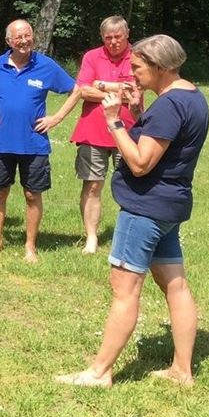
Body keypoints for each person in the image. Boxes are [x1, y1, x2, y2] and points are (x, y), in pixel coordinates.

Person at [56, 35, 209, 388]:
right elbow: (163, 142)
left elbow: (140, 163)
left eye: (138, 67)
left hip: (145, 209)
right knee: (176, 285)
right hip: (171, 205)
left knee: (125, 289)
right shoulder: (193, 97)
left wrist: (115, 120)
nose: (133, 74)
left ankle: (99, 372)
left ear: (159, 67)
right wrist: (140, 112)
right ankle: (181, 370)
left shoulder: (170, 106)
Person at [0, 20, 80, 261]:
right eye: (18, 37)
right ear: (8, 41)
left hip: (34, 143)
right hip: (1, 142)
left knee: (33, 195)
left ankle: (30, 246)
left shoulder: (45, 66)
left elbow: (76, 90)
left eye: (27, 36)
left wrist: (57, 117)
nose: (24, 41)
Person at [70, 16, 139, 254]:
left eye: (117, 37)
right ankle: (91, 238)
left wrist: (100, 84)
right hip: (92, 131)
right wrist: (116, 88)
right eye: (108, 38)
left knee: (130, 186)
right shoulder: (91, 56)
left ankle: (127, 237)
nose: (113, 42)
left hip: (128, 130)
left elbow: (135, 92)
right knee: (92, 185)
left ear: (127, 34)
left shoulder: (138, 56)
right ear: (102, 38)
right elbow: (82, 89)